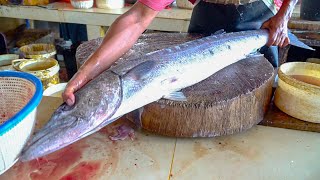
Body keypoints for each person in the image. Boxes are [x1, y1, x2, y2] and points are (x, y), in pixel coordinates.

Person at [62, 0, 298, 106]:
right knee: (201, 92)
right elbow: (136, 18)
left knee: (258, 93)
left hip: (264, 17)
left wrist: (284, 15)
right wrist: (86, 72)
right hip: (208, 13)